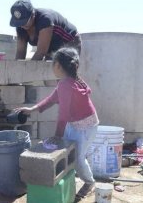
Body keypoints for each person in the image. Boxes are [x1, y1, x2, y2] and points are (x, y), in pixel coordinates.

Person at [14, 47, 99, 197]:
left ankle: (89, 182)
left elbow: (63, 115)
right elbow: (52, 99)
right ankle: (71, 180)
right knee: (69, 153)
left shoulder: (67, 84)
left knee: (78, 158)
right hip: (78, 123)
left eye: (53, 63)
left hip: (85, 126)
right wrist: (32, 109)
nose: (52, 66)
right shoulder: (69, 81)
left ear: (58, 65)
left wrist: (58, 136)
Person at [9, 0, 81, 60]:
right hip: (51, 46)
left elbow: (41, 52)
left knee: (62, 69)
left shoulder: (45, 19)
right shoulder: (20, 26)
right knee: (48, 70)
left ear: (33, 14)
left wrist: (27, 70)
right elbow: (20, 52)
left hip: (69, 41)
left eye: (24, 21)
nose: (22, 25)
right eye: (19, 22)